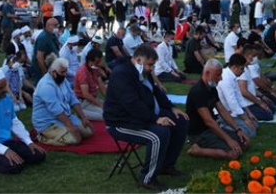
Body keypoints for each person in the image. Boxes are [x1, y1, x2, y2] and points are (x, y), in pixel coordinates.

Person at [104, 44, 188, 190]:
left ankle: (165, 166)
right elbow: (132, 104)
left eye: (153, 65)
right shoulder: (121, 74)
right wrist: (155, 119)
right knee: (159, 134)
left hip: (143, 115)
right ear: (138, 60)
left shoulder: (142, 70)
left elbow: (155, 91)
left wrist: (171, 108)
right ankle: (147, 178)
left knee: (180, 121)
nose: (151, 68)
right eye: (150, 65)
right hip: (122, 121)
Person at [0, 69, 47, 174]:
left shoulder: (6, 99)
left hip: (5, 141)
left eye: (5, 86)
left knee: (39, 155)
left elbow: (14, 122)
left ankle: (12, 157)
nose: (5, 90)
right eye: (0, 88)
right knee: (15, 166)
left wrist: (28, 141)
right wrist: (5, 151)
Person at [186, 59, 249, 159]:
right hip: (199, 133)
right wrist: (229, 140)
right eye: (218, 75)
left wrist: (237, 129)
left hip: (211, 129)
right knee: (233, 154)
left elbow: (222, 110)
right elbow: (209, 121)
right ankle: (197, 150)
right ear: (207, 73)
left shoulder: (212, 88)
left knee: (245, 142)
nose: (220, 78)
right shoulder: (198, 91)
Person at [32, 57, 94, 145]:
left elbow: (73, 99)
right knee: (75, 140)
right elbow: (56, 110)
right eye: (62, 72)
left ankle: (64, 131)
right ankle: (42, 137)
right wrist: (71, 126)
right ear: (53, 72)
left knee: (88, 132)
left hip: (64, 116)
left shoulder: (62, 80)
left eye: (66, 71)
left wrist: (83, 118)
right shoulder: (46, 85)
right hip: (48, 122)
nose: (65, 75)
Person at [217, 54, 258, 137]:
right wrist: (245, 118)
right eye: (242, 69)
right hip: (224, 114)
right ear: (234, 67)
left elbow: (238, 96)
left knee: (254, 124)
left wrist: (248, 113)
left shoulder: (232, 76)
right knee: (251, 131)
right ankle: (222, 127)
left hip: (232, 112)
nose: (243, 71)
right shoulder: (226, 78)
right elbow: (232, 102)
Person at [74, 49, 106, 121]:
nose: (99, 63)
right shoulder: (83, 72)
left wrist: (108, 99)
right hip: (84, 102)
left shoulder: (94, 68)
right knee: (105, 115)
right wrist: (100, 104)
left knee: (111, 109)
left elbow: (101, 86)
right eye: (97, 62)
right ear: (90, 61)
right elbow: (86, 94)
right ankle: (80, 112)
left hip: (92, 99)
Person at [31, 18, 60, 83]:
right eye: (55, 26)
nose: (57, 28)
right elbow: (39, 58)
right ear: (49, 26)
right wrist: (45, 73)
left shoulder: (52, 35)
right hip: (41, 70)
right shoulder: (43, 38)